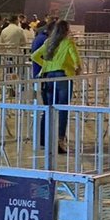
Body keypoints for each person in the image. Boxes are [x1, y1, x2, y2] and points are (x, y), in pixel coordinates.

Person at [31, 19, 81, 155]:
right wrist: (75, 69)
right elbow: (77, 60)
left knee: (48, 108)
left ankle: (44, 138)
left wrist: (46, 64)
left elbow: (34, 56)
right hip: (63, 77)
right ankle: (60, 140)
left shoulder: (49, 43)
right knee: (63, 109)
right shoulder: (68, 42)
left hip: (48, 77)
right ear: (66, 30)